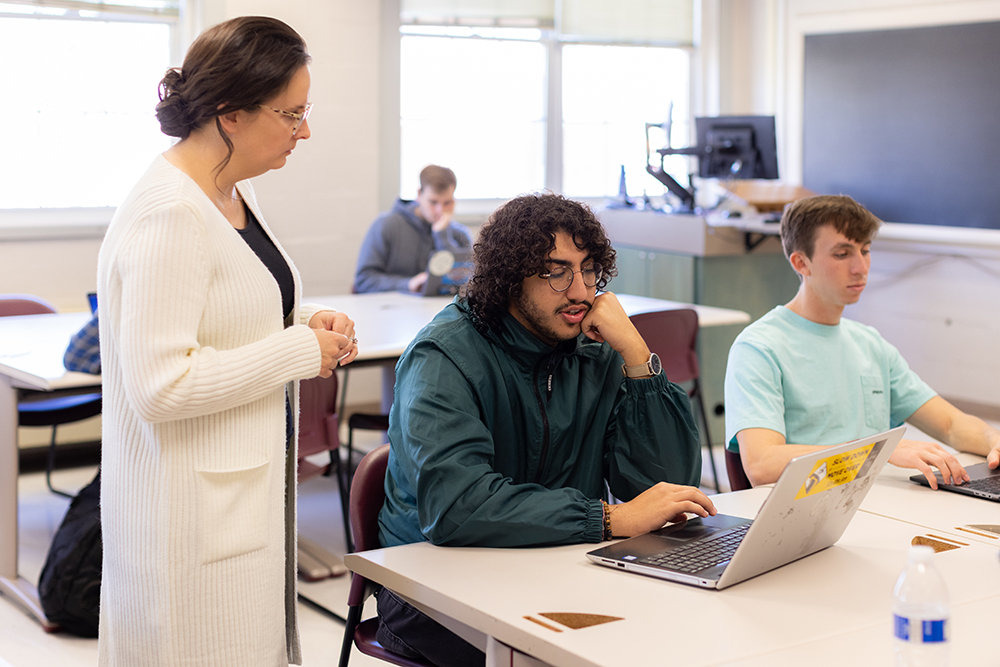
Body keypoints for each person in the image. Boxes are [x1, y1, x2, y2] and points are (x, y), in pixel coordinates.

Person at [96, 17, 358, 667]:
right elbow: (161, 385)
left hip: (239, 505)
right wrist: (299, 352)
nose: (304, 131)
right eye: (291, 113)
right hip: (188, 523)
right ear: (229, 113)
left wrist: (310, 320)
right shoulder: (170, 213)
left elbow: (246, 305)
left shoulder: (226, 192)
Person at [376, 193, 716, 666]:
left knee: (679, 637)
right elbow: (457, 508)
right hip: (431, 586)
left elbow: (664, 484)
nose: (580, 291)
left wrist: (638, 356)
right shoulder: (445, 356)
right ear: (511, 276)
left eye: (589, 269)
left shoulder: (593, 350)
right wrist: (608, 519)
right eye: (557, 272)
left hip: (556, 563)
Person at [724, 194, 1000, 487]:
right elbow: (762, 464)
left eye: (865, 250)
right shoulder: (759, 347)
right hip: (802, 515)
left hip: (875, 500)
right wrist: (875, 452)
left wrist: (994, 439)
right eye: (842, 254)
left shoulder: (870, 344)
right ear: (801, 263)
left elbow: (951, 425)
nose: (860, 267)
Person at [353, 165, 473, 293]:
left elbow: (463, 282)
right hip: (391, 308)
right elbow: (363, 280)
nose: (440, 210)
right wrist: (408, 284)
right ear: (419, 194)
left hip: (439, 310)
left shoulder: (460, 234)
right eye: (433, 202)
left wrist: (442, 236)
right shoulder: (386, 225)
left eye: (447, 202)